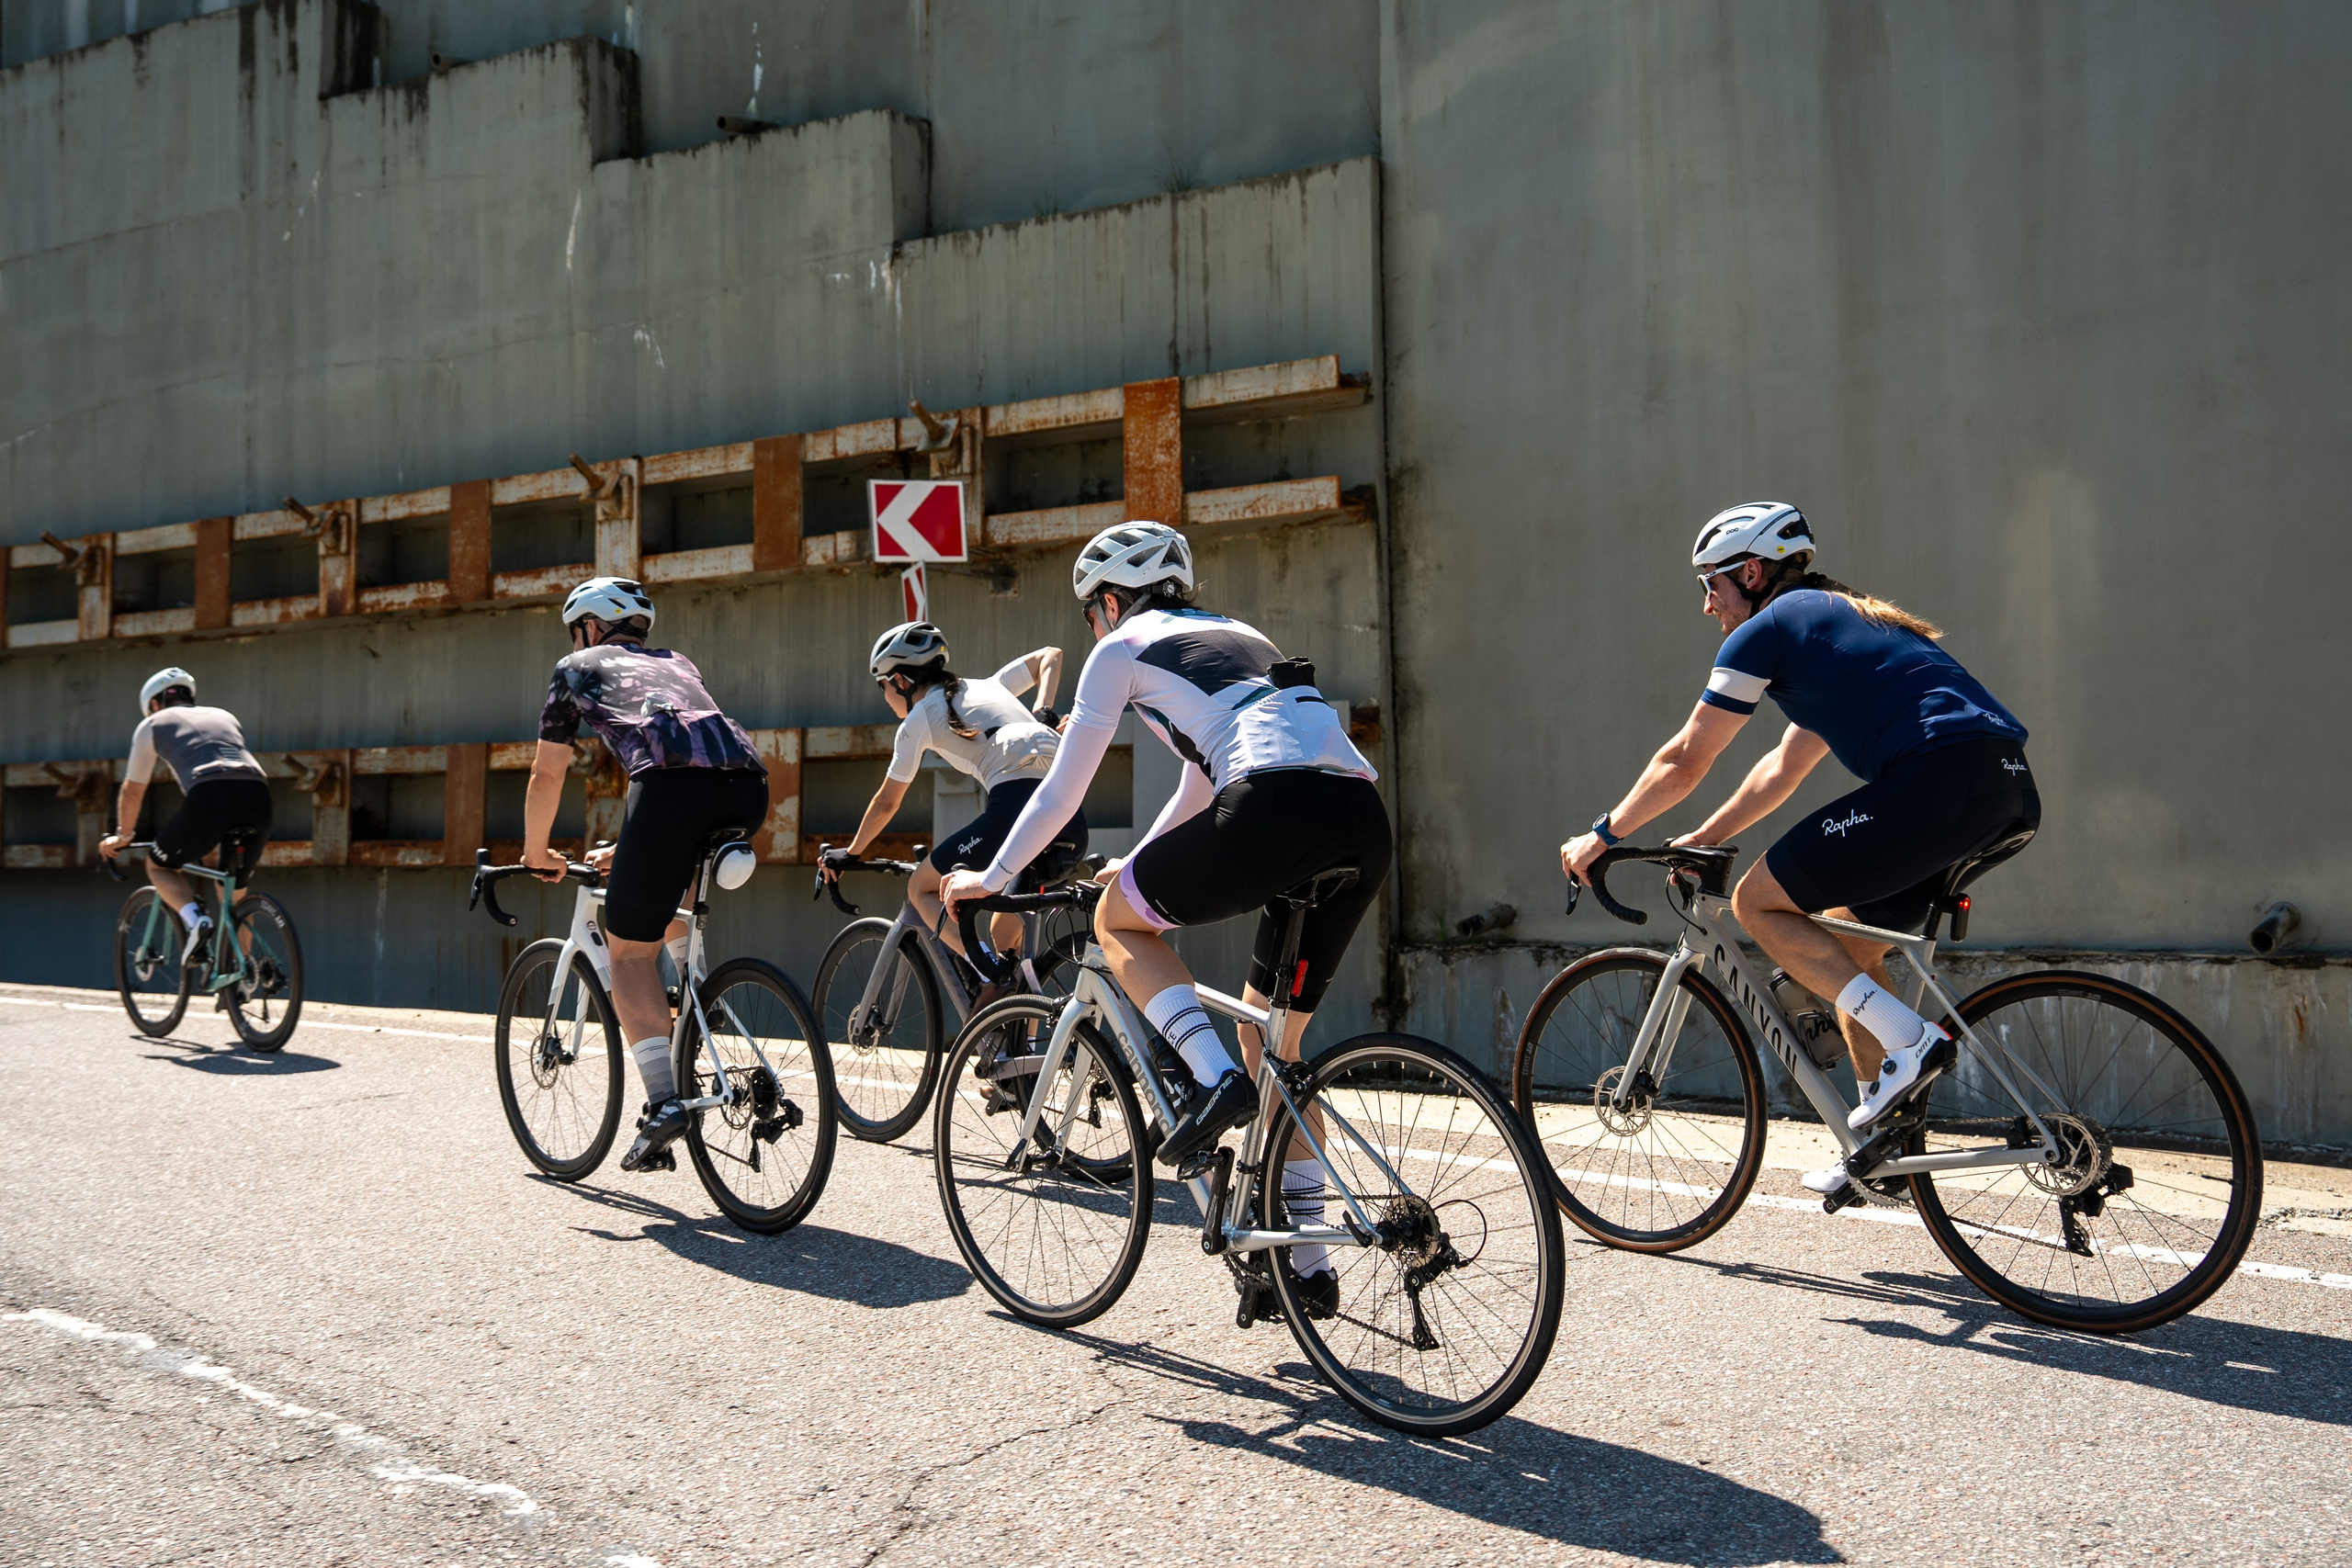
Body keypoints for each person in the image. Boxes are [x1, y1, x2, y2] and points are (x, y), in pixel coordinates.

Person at [941, 521, 1390, 1314]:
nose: (1093, 626)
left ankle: (1210, 1081)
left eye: (1090, 612)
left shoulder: (1119, 650)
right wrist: (1140, 857)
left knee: (1118, 923)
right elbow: (1197, 779)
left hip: (1272, 805)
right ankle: (1308, 1262)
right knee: (1272, 1045)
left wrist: (994, 874)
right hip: (1357, 813)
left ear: (1108, 600)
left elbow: (1061, 788)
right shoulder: (1236, 635)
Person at [1559, 502, 2040, 1197]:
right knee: (1847, 947)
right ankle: (1880, 1141)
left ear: (1752, 572)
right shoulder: (1841, 627)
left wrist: (1602, 835)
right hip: (2007, 785)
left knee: (1758, 901)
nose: (1706, 605)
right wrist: (1705, 837)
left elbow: (1687, 757)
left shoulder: (1766, 631)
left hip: (1940, 782)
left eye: (1711, 584)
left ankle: (1912, 1042)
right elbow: (1782, 768)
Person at [524, 577, 769, 1174]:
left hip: (668, 789)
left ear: (589, 626)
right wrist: (636, 844)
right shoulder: (674, 659)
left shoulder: (574, 666)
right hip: (747, 783)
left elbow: (547, 774)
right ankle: (698, 992)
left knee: (630, 952)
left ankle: (664, 1103)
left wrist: (536, 852)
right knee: (671, 894)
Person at [820, 623, 1083, 1005]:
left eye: (882, 686)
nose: (885, 696)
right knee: (1008, 939)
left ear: (899, 680)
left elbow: (886, 803)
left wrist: (852, 852)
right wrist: (1041, 712)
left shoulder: (919, 719)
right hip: (1069, 815)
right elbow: (1051, 656)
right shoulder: (990, 686)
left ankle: (986, 972)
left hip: (1017, 811)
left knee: (921, 887)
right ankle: (1024, 1052)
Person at [97, 667, 274, 970]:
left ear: (154, 704)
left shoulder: (152, 724)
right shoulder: (224, 716)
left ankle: (197, 921)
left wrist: (123, 835)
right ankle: (245, 973)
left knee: (160, 865)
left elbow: (133, 792)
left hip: (210, 796)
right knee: (234, 891)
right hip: (259, 796)